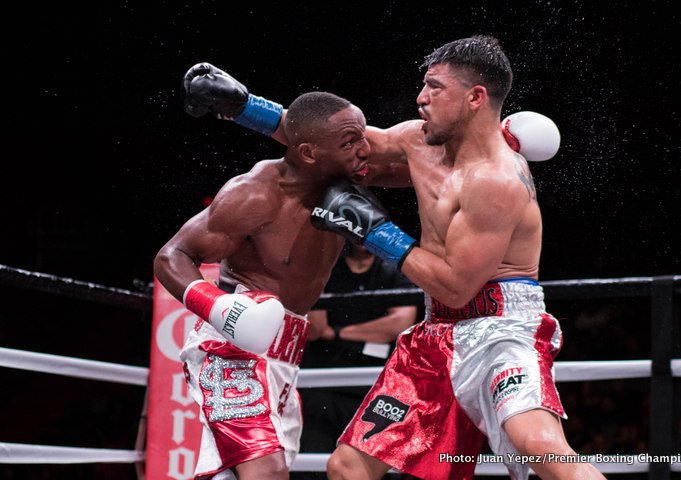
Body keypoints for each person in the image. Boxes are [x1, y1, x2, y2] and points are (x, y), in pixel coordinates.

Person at [179, 40, 586, 480]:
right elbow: (331, 141)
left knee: (540, 446)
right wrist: (243, 107)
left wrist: (378, 233)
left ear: (475, 98)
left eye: (434, 87)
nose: (421, 97)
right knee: (348, 467)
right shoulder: (417, 140)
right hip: (437, 333)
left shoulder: (496, 181)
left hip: (500, 330)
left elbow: (456, 286)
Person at [153, 87, 378, 480]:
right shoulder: (255, 193)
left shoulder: (341, 188)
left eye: (363, 136)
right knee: (266, 471)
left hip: (285, 354)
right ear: (308, 153)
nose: (366, 149)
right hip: (233, 347)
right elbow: (171, 256)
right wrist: (218, 306)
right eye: (350, 141)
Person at [298, 242, 418, 463]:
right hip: (325, 383)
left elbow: (399, 325)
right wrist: (317, 267)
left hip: (374, 387)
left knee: (373, 461)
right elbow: (316, 329)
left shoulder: (393, 270)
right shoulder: (328, 269)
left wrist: (337, 333)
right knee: (313, 461)